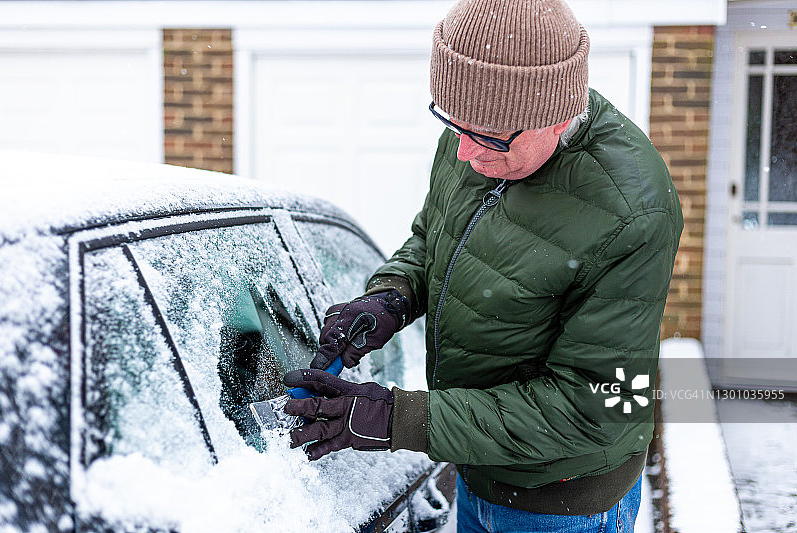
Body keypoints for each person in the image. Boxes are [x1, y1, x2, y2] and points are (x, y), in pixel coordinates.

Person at [282, 0, 683, 530]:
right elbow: (435, 236)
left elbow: (596, 407)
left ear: (556, 114)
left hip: (559, 504)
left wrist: (397, 419)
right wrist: (392, 296)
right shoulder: (477, 133)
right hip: (476, 469)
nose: (465, 153)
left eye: (489, 136)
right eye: (454, 125)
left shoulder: (633, 210)